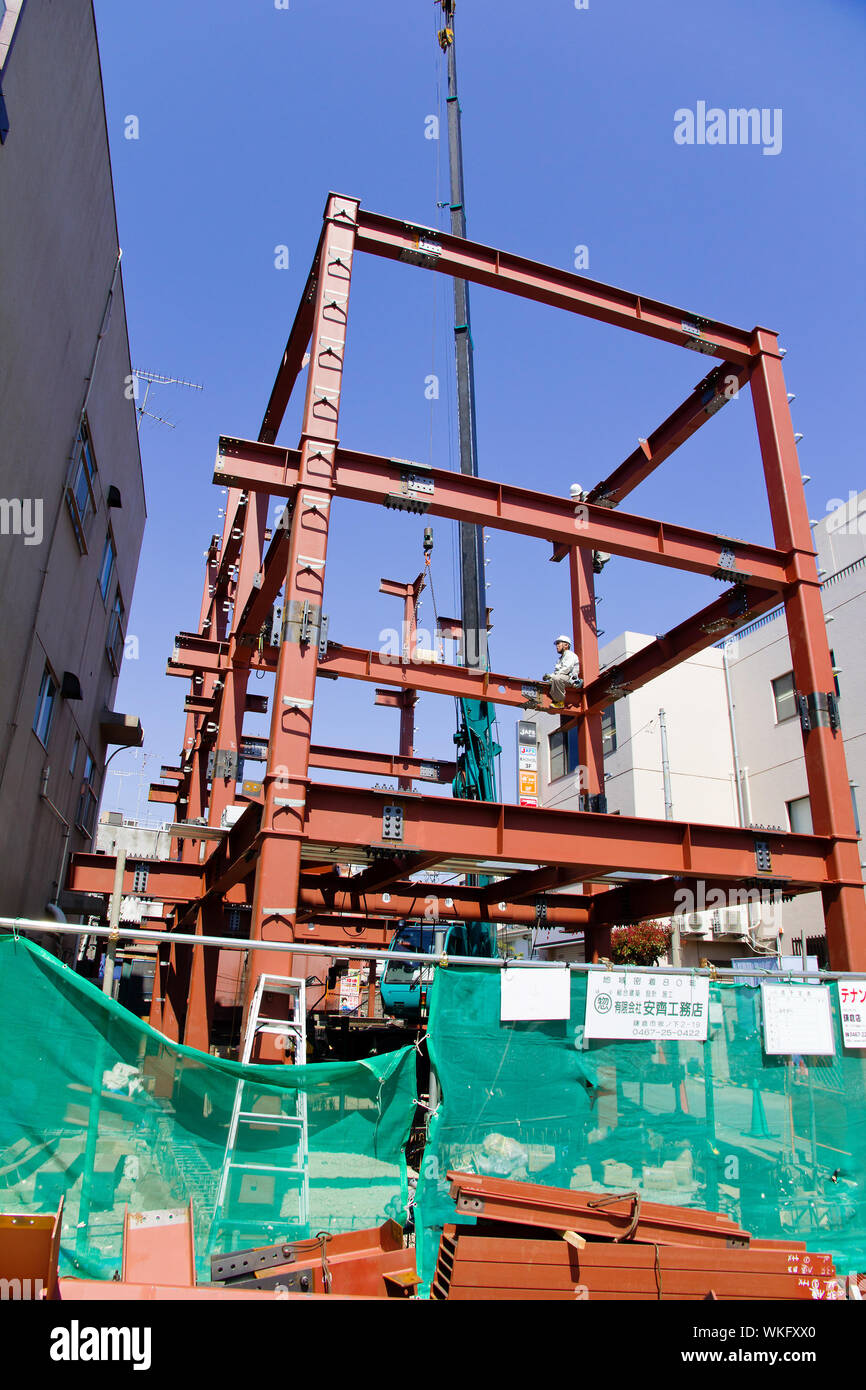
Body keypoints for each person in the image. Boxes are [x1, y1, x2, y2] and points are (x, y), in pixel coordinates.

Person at [544, 636, 582, 707]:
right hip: (564, 678)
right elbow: (557, 672)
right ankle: (555, 697)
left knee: (556, 678)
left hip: (570, 679)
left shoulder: (570, 655)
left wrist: (552, 677)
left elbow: (566, 669)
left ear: (566, 645)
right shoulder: (560, 659)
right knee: (553, 680)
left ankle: (559, 702)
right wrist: (550, 676)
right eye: (556, 644)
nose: (557, 646)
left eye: (558, 643)